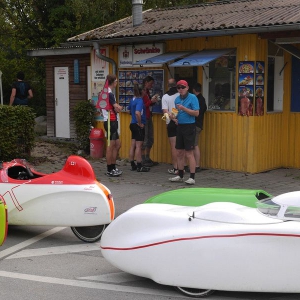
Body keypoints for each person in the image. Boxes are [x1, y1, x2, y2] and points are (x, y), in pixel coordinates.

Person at [169, 80, 199, 185]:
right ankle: (180, 174)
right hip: (180, 126)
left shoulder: (193, 98)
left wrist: (184, 109)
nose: (180, 89)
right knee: (179, 152)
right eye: (178, 88)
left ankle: (192, 177)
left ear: (187, 87)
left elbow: (196, 113)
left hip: (189, 126)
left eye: (182, 87)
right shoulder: (177, 99)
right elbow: (175, 112)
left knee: (189, 153)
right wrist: (172, 117)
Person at [102, 74, 123, 177]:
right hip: (110, 121)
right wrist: (120, 107)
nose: (117, 83)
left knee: (117, 144)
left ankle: (113, 166)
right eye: (116, 81)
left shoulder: (106, 93)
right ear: (113, 82)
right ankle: (110, 168)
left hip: (112, 120)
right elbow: (116, 107)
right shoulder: (109, 94)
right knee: (111, 146)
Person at [128, 84, 150, 172]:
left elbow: (129, 110)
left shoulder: (132, 99)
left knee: (133, 144)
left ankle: (132, 163)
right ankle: (139, 165)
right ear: (142, 91)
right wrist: (140, 123)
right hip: (137, 125)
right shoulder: (140, 100)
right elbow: (137, 112)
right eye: (144, 90)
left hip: (132, 124)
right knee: (139, 146)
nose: (145, 92)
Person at [162, 78, 180, 175]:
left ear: (168, 86)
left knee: (173, 147)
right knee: (181, 147)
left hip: (170, 123)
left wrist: (172, 118)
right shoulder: (180, 95)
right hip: (181, 121)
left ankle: (175, 168)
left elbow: (165, 111)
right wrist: (176, 117)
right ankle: (182, 166)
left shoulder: (165, 97)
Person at [141, 75, 158, 167]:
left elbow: (148, 104)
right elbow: (143, 105)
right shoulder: (142, 93)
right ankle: (143, 158)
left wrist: (153, 101)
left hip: (149, 115)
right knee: (145, 138)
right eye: (150, 84)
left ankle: (148, 157)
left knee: (150, 137)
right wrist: (151, 101)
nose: (151, 86)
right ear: (146, 83)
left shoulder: (147, 92)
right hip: (144, 117)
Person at [192, 83, 207, 172]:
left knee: (194, 145)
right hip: (199, 124)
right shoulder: (203, 99)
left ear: (194, 89)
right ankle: (195, 164)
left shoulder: (195, 99)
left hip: (195, 124)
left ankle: (196, 165)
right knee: (194, 144)